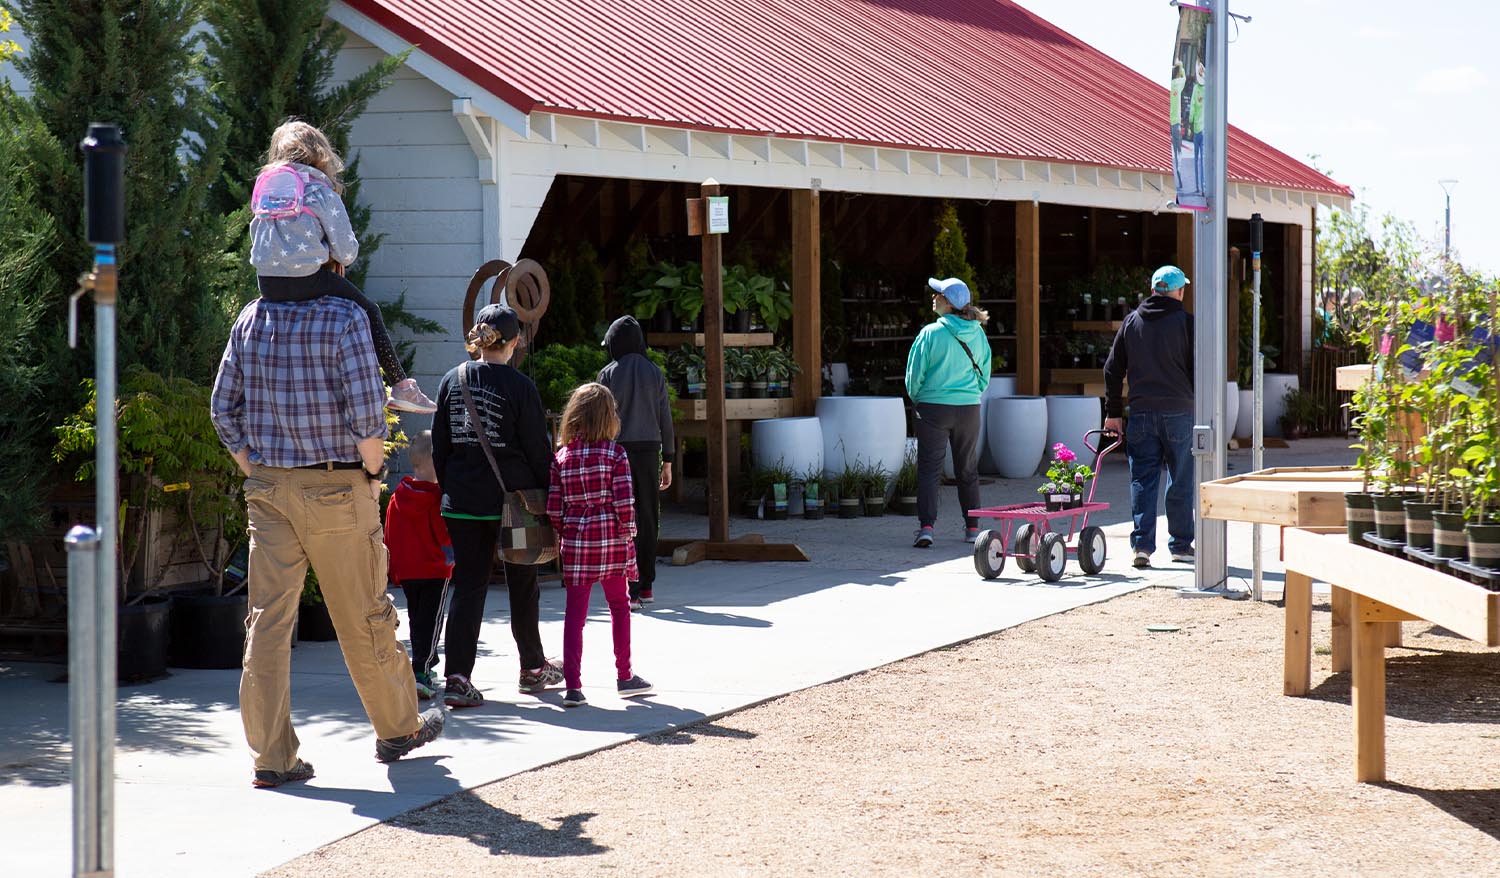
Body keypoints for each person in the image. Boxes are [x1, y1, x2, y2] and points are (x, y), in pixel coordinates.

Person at [210, 289, 444, 788]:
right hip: (337, 483)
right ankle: (398, 729)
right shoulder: (346, 315)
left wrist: (252, 467)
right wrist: (375, 472)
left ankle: (272, 757)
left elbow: (221, 408)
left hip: (269, 485)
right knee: (363, 613)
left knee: (267, 624)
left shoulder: (251, 315)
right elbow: (366, 414)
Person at [249, 119, 436, 414]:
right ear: (320, 153)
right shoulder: (321, 192)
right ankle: (401, 387)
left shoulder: (265, 190)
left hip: (267, 284)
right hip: (306, 280)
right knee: (369, 310)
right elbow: (347, 252)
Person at [430, 304, 562, 708]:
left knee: (468, 586)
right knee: (523, 584)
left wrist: (452, 487)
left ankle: (457, 677)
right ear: (515, 341)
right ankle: (533, 669)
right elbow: (538, 451)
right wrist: (549, 496)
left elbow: (440, 446)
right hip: (513, 502)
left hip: (462, 502)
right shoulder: (520, 386)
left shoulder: (452, 380)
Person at [546, 383, 655, 708]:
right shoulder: (615, 454)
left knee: (575, 615)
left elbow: (554, 507)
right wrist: (629, 531)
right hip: (611, 539)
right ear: (609, 417)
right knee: (619, 607)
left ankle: (574, 687)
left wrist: (569, 529)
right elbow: (625, 502)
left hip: (578, 543)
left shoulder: (561, 456)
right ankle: (624, 676)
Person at [1103, 265, 1196, 569]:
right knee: (1180, 478)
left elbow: (1112, 369)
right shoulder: (1186, 323)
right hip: (1178, 411)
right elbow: (1199, 368)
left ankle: (1141, 546)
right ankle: (1181, 546)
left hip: (1141, 411)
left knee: (1142, 479)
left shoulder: (1132, 321)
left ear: (1154, 289)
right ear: (1178, 291)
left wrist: (1113, 413)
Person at [905, 277, 992, 548]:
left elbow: (914, 376)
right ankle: (972, 528)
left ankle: (927, 528)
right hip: (968, 409)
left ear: (948, 303)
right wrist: (969, 393)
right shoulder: (978, 333)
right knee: (967, 469)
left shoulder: (930, 333)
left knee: (930, 470)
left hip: (933, 408)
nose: (933, 297)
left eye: (938, 294)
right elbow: (984, 375)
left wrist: (920, 398)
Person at [597, 315, 674, 611]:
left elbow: (598, 417)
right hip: (648, 450)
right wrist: (667, 460)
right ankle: (647, 583)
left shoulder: (607, 374)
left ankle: (627, 584)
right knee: (647, 515)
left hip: (615, 451)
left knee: (620, 517)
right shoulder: (655, 372)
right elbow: (665, 418)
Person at [383, 430, 454, 700]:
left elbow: (389, 534)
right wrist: (453, 555)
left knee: (417, 620)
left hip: (409, 572)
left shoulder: (398, 496)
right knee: (432, 623)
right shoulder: (435, 497)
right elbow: (443, 534)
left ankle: (423, 664)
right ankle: (421, 671)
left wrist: (394, 568)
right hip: (434, 570)